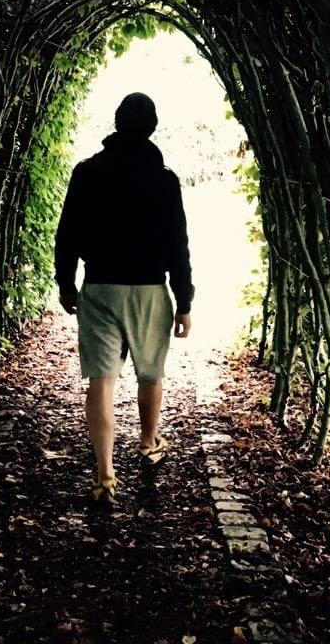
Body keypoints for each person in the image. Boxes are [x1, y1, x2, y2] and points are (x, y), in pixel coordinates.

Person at [54, 91, 194, 505]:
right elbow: (178, 244)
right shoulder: (164, 180)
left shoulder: (87, 173)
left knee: (101, 381)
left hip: (100, 287)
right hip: (150, 289)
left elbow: (67, 234)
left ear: (116, 123)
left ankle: (105, 475)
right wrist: (184, 301)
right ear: (152, 128)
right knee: (150, 374)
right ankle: (148, 443)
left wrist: (66, 283)